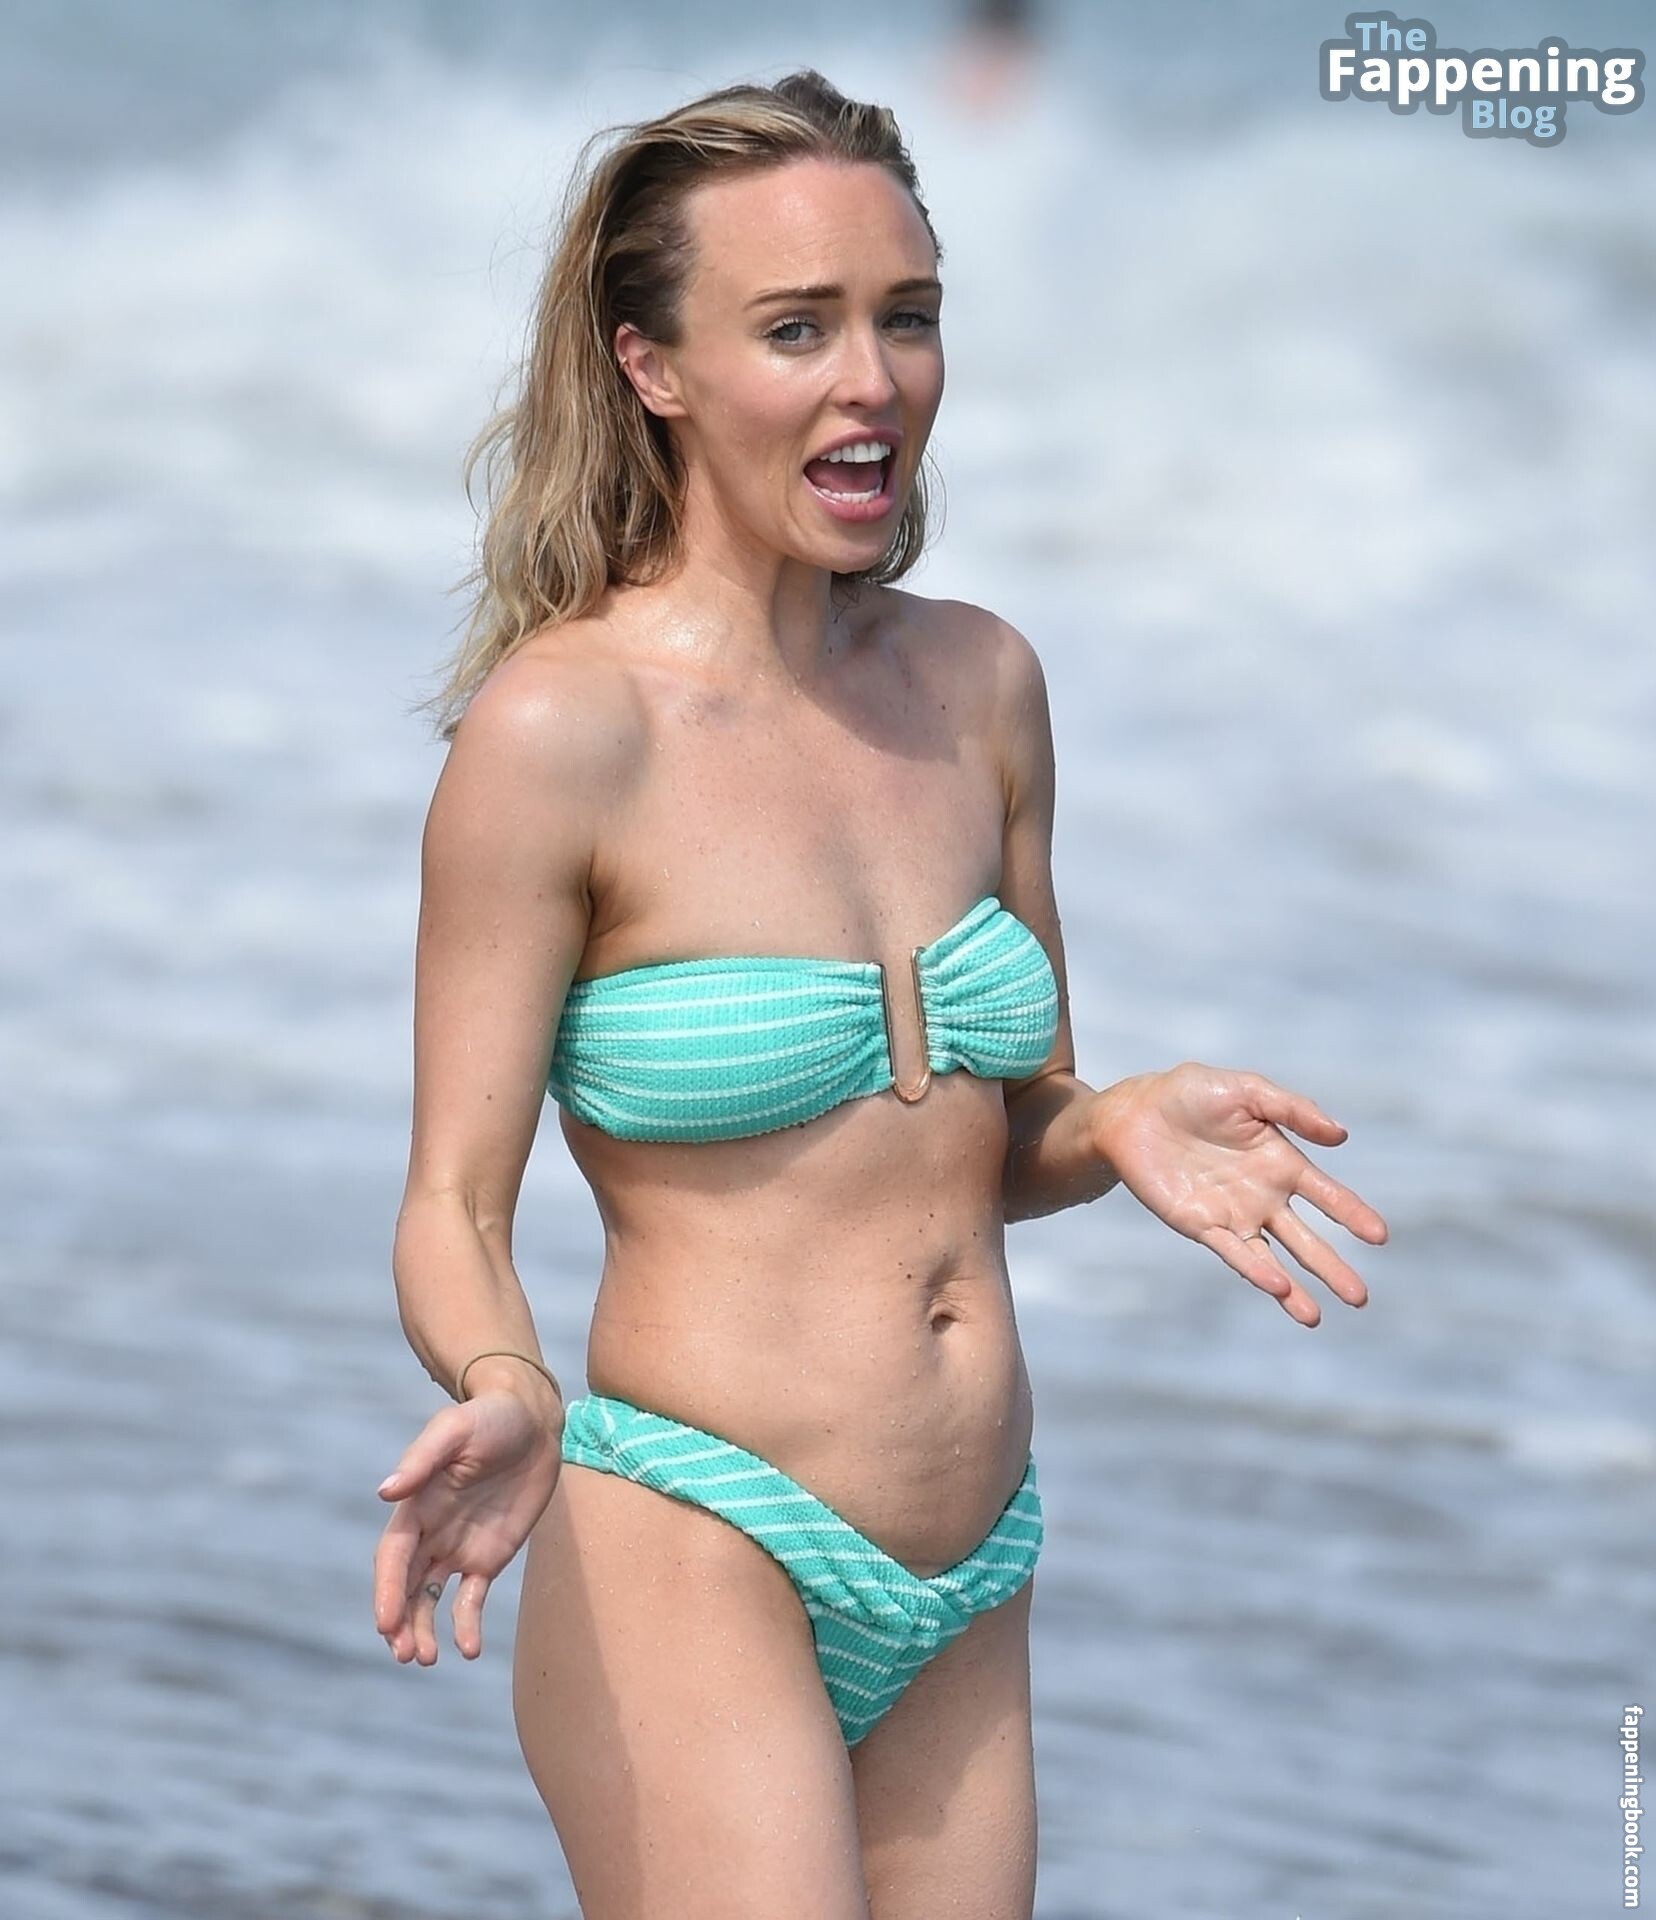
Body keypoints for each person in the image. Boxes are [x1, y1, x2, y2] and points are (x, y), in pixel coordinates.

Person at [370, 69, 1387, 1920]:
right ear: (653, 367)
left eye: (905, 317)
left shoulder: (983, 686)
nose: (873, 381)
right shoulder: (563, 732)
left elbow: (999, 1135)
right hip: (694, 1530)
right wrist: (506, 1382)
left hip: (970, 1563)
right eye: (797, 329)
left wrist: (1113, 1121)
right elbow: (453, 1200)